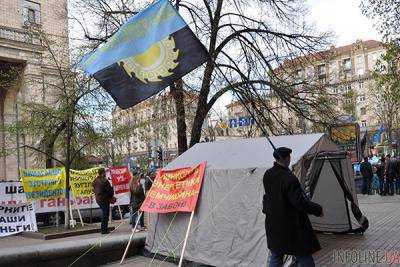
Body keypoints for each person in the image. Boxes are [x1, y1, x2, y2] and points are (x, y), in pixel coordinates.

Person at [263, 147, 323, 267]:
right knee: (303, 255)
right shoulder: (289, 178)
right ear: (286, 158)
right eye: (289, 157)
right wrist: (317, 209)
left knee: (276, 255)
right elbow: (299, 202)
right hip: (291, 226)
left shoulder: (268, 174)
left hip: (274, 223)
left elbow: (269, 197)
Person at [93, 168, 115, 234]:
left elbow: (94, 188)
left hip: (98, 199)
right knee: (105, 214)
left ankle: (104, 229)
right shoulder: (105, 181)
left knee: (104, 213)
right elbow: (110, 192)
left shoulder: (95, 180)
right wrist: (112, 188)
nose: (105, 173)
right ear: (103, 173)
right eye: (105, 172)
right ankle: (104, 230)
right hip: (104, 199)